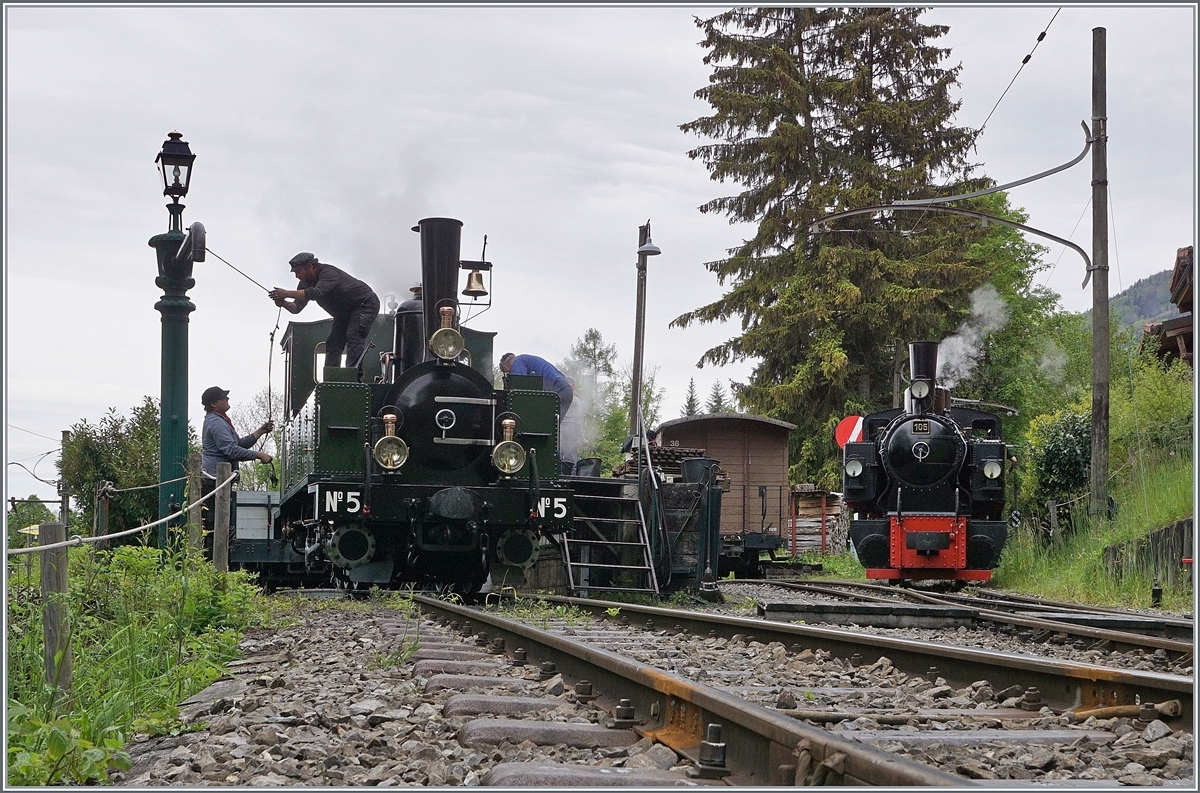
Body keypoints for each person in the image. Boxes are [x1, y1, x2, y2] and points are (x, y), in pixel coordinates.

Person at [268, 252, 380, 374]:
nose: (296, 276)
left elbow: (317, 292)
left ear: (310, 267)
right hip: (343, 314)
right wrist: (283, 303)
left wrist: (286, 293)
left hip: (364, 305)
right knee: (333, 342)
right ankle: (331, 377)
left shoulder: (328, 273)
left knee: (354, 337)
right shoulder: (304, 284)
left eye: (298, 271)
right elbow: (296, 308)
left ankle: (352, 377)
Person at [200, 386, 274, 557]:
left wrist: (260, 432)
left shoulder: (221, 420)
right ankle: (213, 562)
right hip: (213, 482)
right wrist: (258, 455)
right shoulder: (216, 422)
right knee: (215, 526)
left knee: (221, 524)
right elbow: (231, 450)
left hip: (219, 482)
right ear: (214, 403)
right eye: (224, 398)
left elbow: (238, 444)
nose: (227, 400)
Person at [499, 353, 574, 416]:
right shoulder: (527, 360)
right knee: (553, 426)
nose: (510, 372)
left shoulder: (517, 362)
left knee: (545, 424)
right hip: (566, 391)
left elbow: (519, 388)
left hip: (558, 391)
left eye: (508, 372)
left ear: (505, 366)